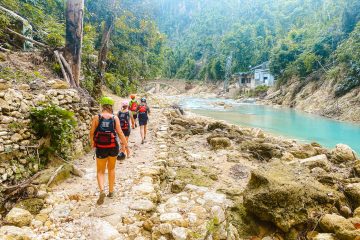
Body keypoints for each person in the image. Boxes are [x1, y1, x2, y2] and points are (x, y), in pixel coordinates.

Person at [89, 96, 130, 205]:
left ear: (102, 106)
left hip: (101, 148)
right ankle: (111, 192)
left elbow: (92, 132)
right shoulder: (114, 118)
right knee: (111, 169)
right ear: (111, 106)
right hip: (113, 147)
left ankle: (102, 190)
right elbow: (120, 133)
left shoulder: (96, 117)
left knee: (100, 171)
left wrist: (92, 143)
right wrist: (126, 147)